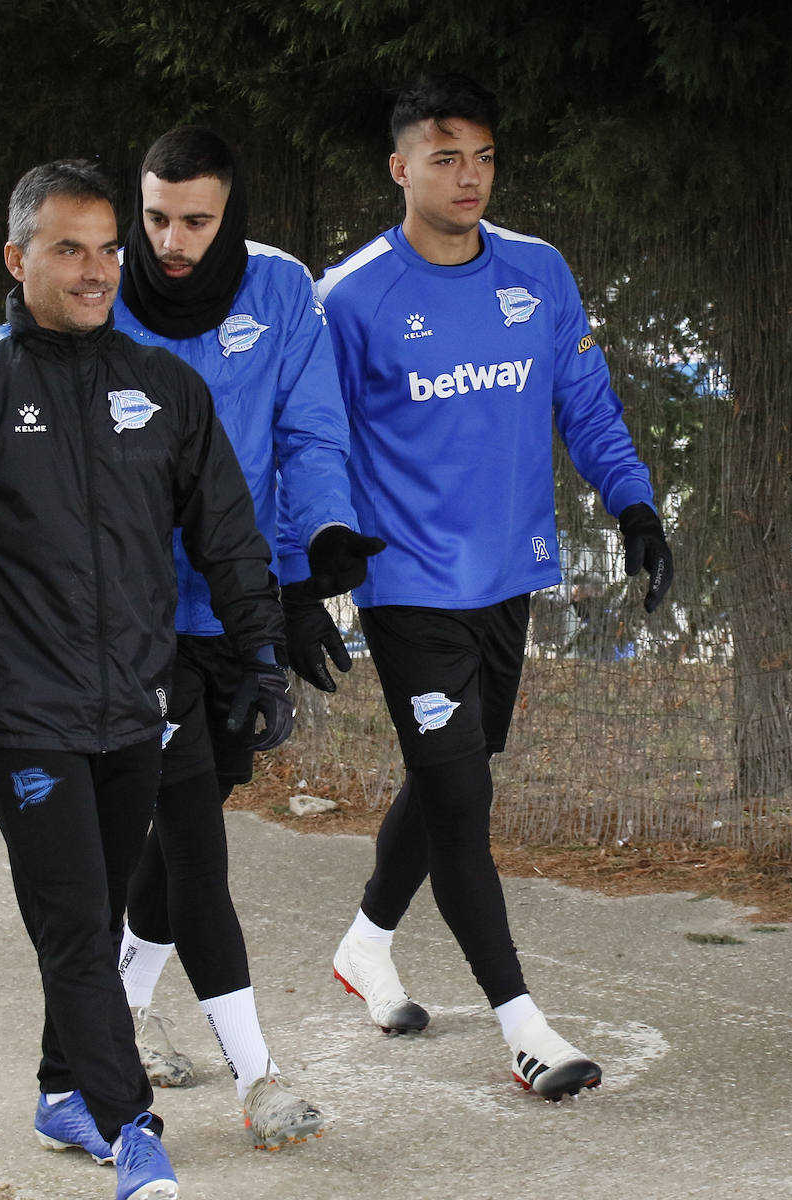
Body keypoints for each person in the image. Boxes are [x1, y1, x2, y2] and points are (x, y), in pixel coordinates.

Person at [0, 159, 293, 1200]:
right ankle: (129, 1128)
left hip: (136, 708)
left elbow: (231, 540)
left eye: (109, 246)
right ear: (17, 260)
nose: (97, 268)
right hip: (23, 718)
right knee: (72, 924)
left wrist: (261, 658)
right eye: (70, 248)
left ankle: (64, 1089)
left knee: (96, 920)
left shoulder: (165, 389)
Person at [315, 74, 673, 1100]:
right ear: (400, 168)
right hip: (407, 584)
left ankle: (366, 946)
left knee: (453, 777)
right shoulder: (353, 299)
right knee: (462, 798)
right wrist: (317, 554)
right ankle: (526, 1029)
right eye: (443, 156)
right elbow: (314, 442)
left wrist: (636, 507)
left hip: (505, 573)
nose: (466, 176)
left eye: (480, 157)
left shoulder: (537, 272)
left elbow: (586, 404)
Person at [111, 126, 377, 1148]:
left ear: (233, 216)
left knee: (192, 809)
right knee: (194, 843)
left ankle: (121, 1006)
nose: (171, 242)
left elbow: (308, 434)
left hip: (237, 601)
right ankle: (258, 1078)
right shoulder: (108, 294)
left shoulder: (279, 292)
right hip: (135, 618)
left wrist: (311, 562)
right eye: (156, 217)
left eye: (195, 220)